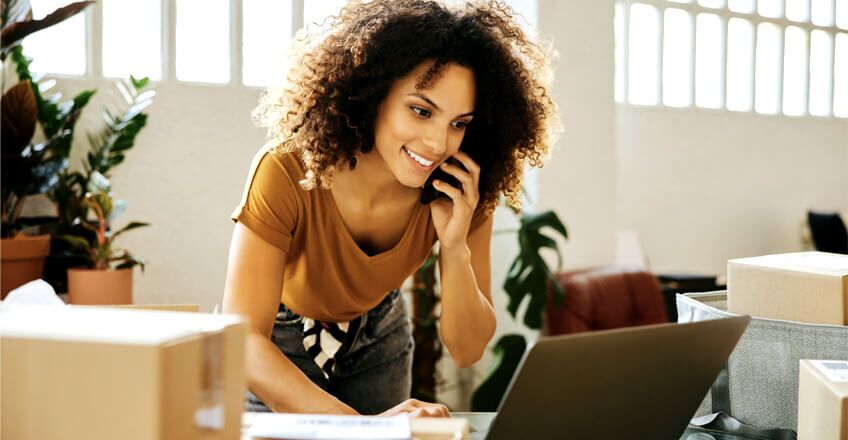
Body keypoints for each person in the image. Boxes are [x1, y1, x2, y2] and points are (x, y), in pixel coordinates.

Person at [222, 0, 558, 418]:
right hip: (277, 343)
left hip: (379, 334)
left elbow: (468, 349)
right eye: (421, 111)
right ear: (372, 93)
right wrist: (363, 428)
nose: (438, 143)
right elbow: (244, 339)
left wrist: (454, 246)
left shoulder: (462, 190)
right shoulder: (287, 170)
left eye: (459, 123)